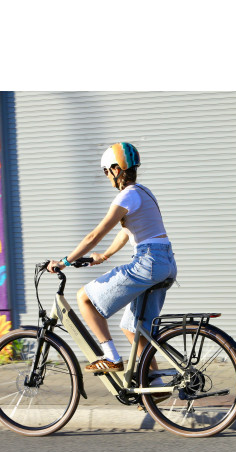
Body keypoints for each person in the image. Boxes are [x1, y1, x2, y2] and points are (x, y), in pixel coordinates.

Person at [47, 142, 177, 373]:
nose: (107, 176)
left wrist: (64, 262)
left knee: (84, 298)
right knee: (132, 328)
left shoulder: (127, 196)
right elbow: (127, 232)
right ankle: (155, 381)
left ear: (117, 170)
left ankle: (111, 357)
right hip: (166, 263)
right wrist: (105, 255)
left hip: (148, 262)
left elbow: (94, 235)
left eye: (106, 171)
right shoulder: (144, 192)